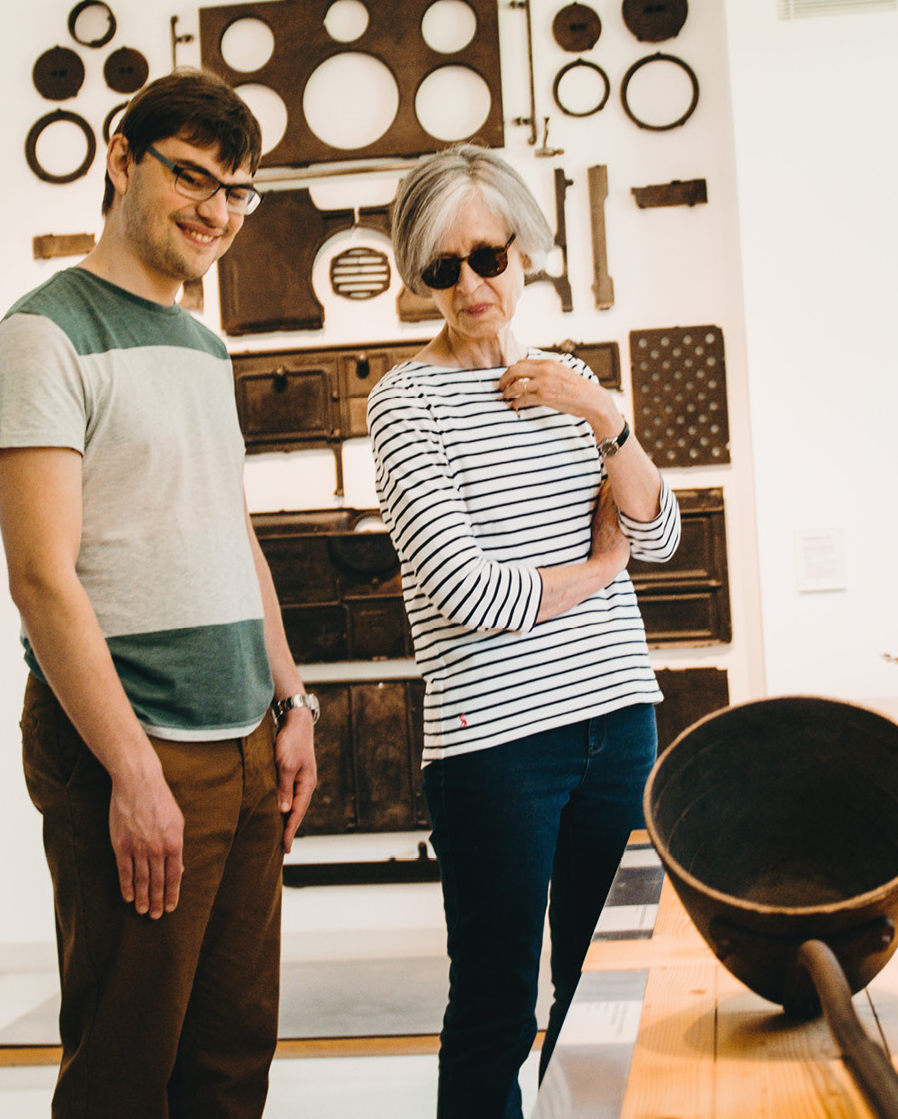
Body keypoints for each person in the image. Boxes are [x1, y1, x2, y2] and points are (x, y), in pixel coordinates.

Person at [0, 68, 318, 1119]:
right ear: (119, 161)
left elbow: (231, 531)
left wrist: (289, 700)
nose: (216, 210)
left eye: (236, 191)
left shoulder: (204, 344)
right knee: (126, 1068)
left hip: (244, 739)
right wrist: (130, 768)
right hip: (135, 742)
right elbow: (39, 576)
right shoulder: (41, 336)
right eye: (192, 177)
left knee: (229, 1061)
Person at [366, 145, 680, 1118]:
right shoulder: (402, 401)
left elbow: (660, 533)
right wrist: (595, 566)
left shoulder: (572, 382)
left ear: (523, 251)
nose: (469, 285)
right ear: (416, 273)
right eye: (440, 267)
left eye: (487, 257)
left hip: (617, 719)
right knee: (497, 1008)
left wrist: (598, 410)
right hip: (493, 748)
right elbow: (468, 589)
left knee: (609, 994)